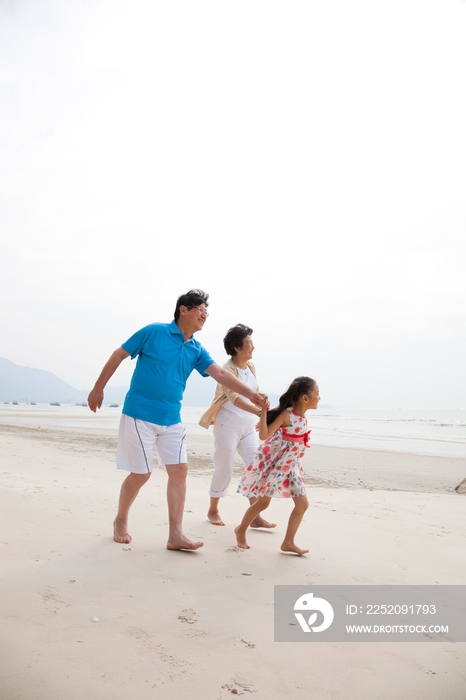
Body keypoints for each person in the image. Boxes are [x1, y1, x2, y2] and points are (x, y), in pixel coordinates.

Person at [87, 290, 264, 551]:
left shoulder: (195, 349)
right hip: (139, 414)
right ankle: (121, 519)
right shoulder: (153, 332)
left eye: (207, 311)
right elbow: (119, 354)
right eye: (201, 309)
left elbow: (220, 375)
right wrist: (98, 388)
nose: (204, 314)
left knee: (179, 470)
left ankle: (176, 535)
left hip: (172, 418)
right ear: (184, 309)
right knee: (141, 473)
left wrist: (252, 394)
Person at [199, 324, 275, 529]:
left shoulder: (250, 367)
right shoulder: (226, 370)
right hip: (228, 426)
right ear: (236, 348)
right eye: (249, 343)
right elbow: (234, 398)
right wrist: (259, 412)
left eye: (252, 342)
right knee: (224, 469)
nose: (253, 347)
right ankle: (213, 509)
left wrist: (263, 408)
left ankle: (254, 516)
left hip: (248, 426)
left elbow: (253, 393)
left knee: (255, 466)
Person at [235, 376, 320, 555]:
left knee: (302, 504)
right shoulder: (286, 415)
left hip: (294, 467)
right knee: (263, 503)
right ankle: (241, 529)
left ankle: (288, 542)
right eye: (317, 394)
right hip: (279, 467)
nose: (319, 398)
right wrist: (264, 412)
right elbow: (264, 436)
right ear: (305, 398)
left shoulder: (303, 418)